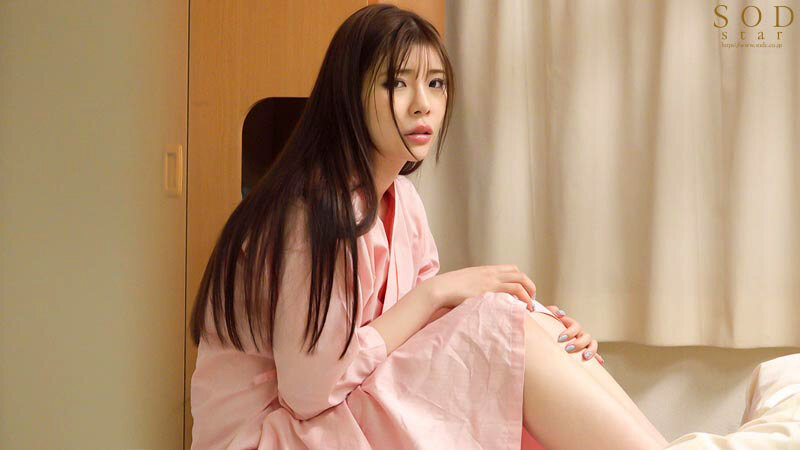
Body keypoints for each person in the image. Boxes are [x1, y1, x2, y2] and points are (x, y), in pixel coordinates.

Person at [189, 4, 668, 449]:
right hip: (274, 435)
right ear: (349, 96)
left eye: (436, 83)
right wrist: (435, 293)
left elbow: (426, 333)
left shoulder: (403, 201)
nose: (423, 105)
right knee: (504, 331)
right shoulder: (311, 212)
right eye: (397, 83)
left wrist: (549, 328)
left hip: (336, 412)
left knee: (518, 322)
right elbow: (309, 391)